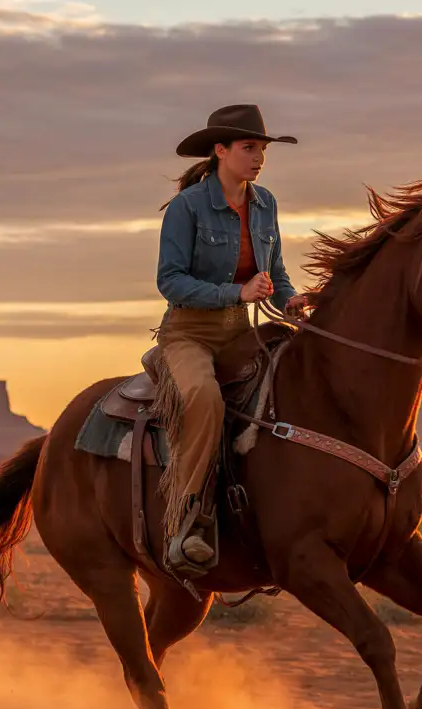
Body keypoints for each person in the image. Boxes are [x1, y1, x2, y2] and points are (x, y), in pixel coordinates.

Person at [150, 103, 309, 575]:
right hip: (188, 333)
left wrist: (293, 301)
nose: (258, 157)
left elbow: (275, 275)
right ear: (220, 150)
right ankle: (188, 521)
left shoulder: (266, 204)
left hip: (241, 330)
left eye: (262, 149)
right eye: (248, 148)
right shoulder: (188, 207)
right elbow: (170, 280)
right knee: (204, 398)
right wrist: (234, 291)